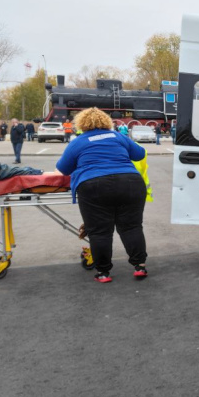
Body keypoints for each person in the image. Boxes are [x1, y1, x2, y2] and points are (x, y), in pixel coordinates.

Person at [55, 108, 152, 284]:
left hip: (94, 185)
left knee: (100, 231)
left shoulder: (78, 142)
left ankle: (103, 272)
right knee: (131, 227)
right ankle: (140, 266)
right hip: (130, 182)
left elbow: (63, 168)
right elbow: (139, 153)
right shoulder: (118, 136)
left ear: (82, 124)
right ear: (106, 121)